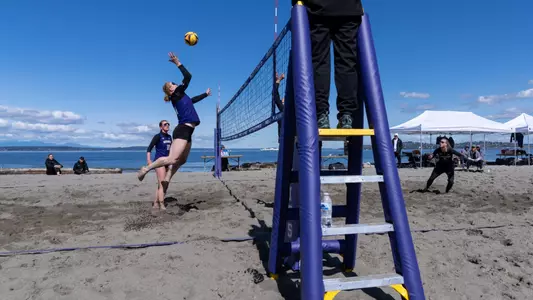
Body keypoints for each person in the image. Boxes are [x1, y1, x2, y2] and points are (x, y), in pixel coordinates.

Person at [137, 52, 211, 181]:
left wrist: (205, 94)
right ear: (171, 89)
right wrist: (178, 63)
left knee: (182, 160)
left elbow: (192, 100)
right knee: (172, 159)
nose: (176, 84)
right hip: (183, 129)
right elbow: (188, 76)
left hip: (188, 130)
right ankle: (146, 169)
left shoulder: (180, 96)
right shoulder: (176, 94)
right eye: (173, 83)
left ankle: (167, 177)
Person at [295, 0, 364, 129]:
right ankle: (346, 116)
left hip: (318, 9)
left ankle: (321, 115)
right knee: (347, 63)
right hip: (349, 9)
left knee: (319, 63)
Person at [146, 120, 173, 210]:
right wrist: (149, 161)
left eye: (168, 124)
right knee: (162, 183)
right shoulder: (157, 136)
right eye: (165, 124)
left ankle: (155, 203)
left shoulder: (169, 137)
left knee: (163, 184)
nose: (167, 125)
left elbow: (171, 150)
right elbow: (149, 149)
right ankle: (162, 204)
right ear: (161, 127)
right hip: (159, 162)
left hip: (167, 162)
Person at [273, 73, 285, 142]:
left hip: (288, 139)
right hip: (285, 139)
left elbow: (275, 96)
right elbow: (275, 96)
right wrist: (278, 80)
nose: (283, 99)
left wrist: (278, 80)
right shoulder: (283, 110)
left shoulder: (286, 109)